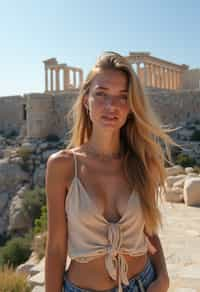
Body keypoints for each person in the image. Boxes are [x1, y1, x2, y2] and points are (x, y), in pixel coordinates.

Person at [45, 51, 179, 292]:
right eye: (101, 94)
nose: (111, 106)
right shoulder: (62, 166)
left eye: (122, 97)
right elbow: (55, 247)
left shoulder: (142, 162)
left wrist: (163, 278)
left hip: (143, 283)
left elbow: (149, 232)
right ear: (86, 100)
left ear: (131, 107)